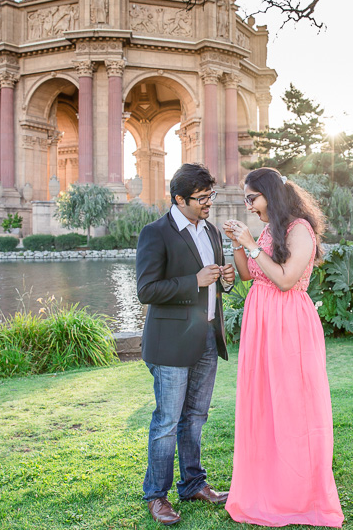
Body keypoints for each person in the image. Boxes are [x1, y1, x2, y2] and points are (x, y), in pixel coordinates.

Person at [222, 167, 344, 527]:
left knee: (292, 404)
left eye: (252, 198)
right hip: (261, 322)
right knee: (263, 401)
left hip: (288, 324)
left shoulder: (299, 229)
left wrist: (250, 245)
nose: (248, 205)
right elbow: (249, 275)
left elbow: (287, 280)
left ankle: (298, 490)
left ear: (270, 194)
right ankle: (266, 483)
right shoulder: (268, 230)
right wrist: (238, 245)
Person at [135, 163, 236, 526]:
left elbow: (217, 283)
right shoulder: (155, 233)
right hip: (170, 344)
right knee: (167, 421)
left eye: (211, 195)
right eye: (202, 197)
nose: (209, 202)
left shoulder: (211, 231)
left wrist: (225, 280)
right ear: (180, 199)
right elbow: (146, 290)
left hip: (208, 337)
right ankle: (156, 495)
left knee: (195, 418)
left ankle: (193, 484)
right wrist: (193, 280)